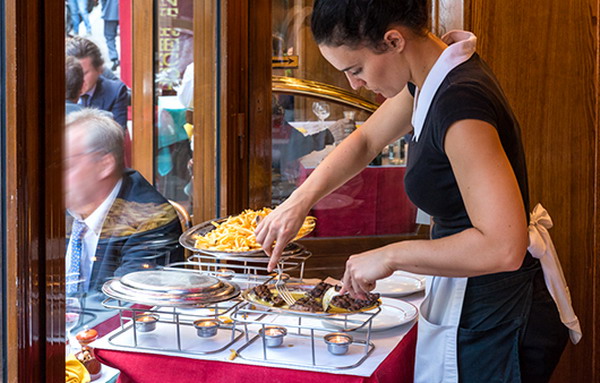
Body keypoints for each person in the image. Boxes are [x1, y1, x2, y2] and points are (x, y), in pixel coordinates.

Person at [255, 1, 580, 382]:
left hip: (498, 314)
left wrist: (389, 255)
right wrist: (298, 202)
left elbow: (502, 247)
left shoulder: (460, 103)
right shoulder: (428, 79)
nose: (354, 84)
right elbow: (366, 141)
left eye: (355, 69)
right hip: (477, 296)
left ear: (393, 40)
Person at [65, 109, 184, 296]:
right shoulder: (58, 207)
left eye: (65, 165)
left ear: (104, 165)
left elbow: (126, 305)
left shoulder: (150, 219)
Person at [66, 36, 129, 130]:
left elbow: (117, 137)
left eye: (83, 73)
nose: (78, 79)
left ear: (100, 70)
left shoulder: (115, 92)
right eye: (74, 72)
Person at [101, 0, 120, 71]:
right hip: (125, 12)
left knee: (109, 37)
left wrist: (103, 9)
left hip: (110, 12)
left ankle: (114, 57)